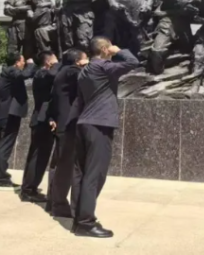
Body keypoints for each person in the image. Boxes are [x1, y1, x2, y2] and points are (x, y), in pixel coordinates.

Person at [71, 37, 139, 238]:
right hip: (99, 125)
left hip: (84, 123)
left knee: (81, 173)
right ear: (104, 48)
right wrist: (118, 50)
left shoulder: (85, 70)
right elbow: (133, 62)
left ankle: (79, 218)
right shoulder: (103, 66)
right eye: (109, 46)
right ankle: (86, 222)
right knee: (95, 175)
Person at [45, 48, 88, 218]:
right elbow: (83, 77)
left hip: (63, 123)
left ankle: (53, 201)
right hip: (68, 126)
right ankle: (59, 204)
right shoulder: (71, 71)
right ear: (78, 61)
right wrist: (91, 65)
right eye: (85, 58)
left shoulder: (62, 72)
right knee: (65, 166)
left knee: (58, 164)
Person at [0, 52, 35, 190]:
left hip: (1, 113)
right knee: (5, 146)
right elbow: (25, 74)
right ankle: (2, 180)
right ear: (17, 62)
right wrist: (31, 64)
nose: (24, 63)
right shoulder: (11, 71)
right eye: (23, 61)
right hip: (9, 114)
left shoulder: (3, 74)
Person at [19, 50, 59, 202]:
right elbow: (53, 73)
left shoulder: (45, 74)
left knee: (41, 156)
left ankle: (31, 187)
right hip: (41, 120)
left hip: (44, 119)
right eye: (55, 60)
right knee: (37, 157)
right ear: (48, 62)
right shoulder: (41, 74)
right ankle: (28, 190)